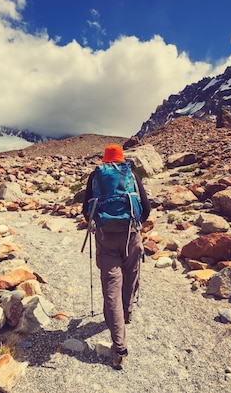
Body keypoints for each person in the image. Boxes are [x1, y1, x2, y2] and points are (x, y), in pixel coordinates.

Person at [82, 144, 151, 370]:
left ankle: (119, 349)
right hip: (131, 236)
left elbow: (86, 210)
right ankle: (128, 312)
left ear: (104, 159)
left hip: (105, 238)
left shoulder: (96, 176)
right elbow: (147, 208)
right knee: (130, 276)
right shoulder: (131, 174)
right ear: (122, 158)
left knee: (111, 288)